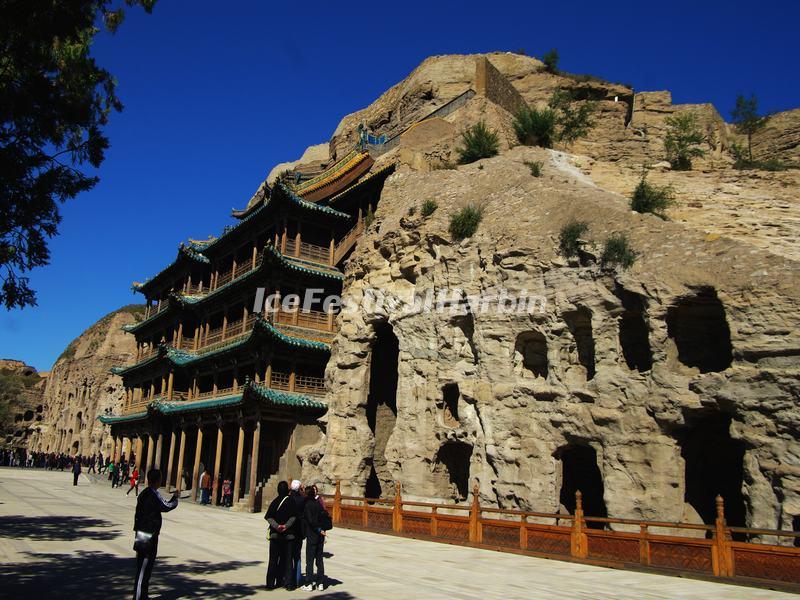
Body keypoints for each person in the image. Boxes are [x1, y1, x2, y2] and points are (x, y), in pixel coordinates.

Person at [133, 469, 178, 600]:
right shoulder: (153, 494)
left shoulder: (144, 493)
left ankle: (143, 595)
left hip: (143, 532)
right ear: (157, 481)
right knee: (143, 567)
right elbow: (166, 506)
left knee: (146, 566)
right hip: (148, 534)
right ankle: (138, 597)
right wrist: (175, 498)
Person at [265, 481, 297, 591]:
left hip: (275, 535)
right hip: (288, 536)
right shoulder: (291, 502)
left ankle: (270, 583)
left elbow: (269, 517)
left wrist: (277, 526)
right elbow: (294, 517)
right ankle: (288, 583)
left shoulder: (275, 502)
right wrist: (285, 526)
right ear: (288, 490)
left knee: (273, 560)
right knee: (288, 560)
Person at [300, 486, 327, 591]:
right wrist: (322, 530)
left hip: (312, 535)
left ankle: (309, 583)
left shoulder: (308, 505)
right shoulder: (318, 504)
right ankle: (320, 583)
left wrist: (318, 529)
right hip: (320, 536)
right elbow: (324, 517)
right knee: (319, 559)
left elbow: (311, 521)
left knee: (310, 560)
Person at [289, 479, 307, 588]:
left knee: (288, 555)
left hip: (289, 530)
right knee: (297, 555)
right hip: (299, 531)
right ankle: (297, 579)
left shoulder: (289, 499)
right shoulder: (302, 500)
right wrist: (303, 491)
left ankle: (288, 578)